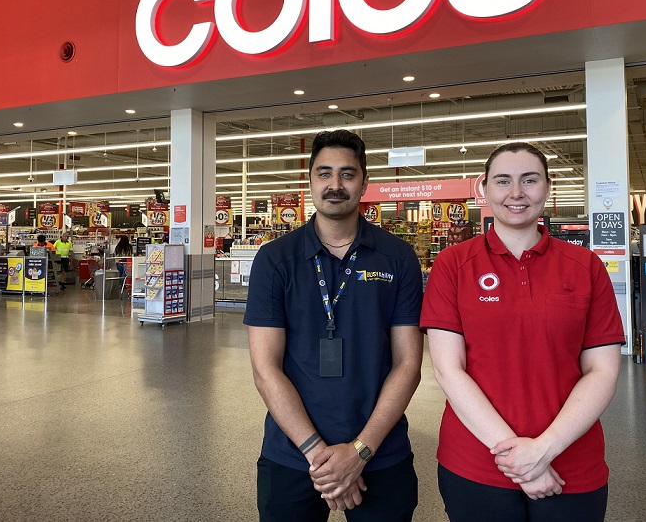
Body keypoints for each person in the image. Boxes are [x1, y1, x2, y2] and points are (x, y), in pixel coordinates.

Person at [420, 142, 625, 522]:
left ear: (547, 188)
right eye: (503, 181)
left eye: (529, 180)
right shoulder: (453, 264)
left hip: (572, 464)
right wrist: (519, 459)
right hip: (475, 465)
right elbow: (449, 370)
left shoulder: (585, 266)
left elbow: (604, 371)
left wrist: (544, 449)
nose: (516, 193)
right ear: (485, 189)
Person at [244, 129, 424, 522]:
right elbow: (265, 369)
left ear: (364, 182)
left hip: (381, 452)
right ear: (310, 181)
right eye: (324, 173)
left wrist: (358, 452)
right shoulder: (275, 260)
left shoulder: (398, 257)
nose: (335, 185)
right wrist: (323, 459)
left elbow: (408, 365)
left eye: (347, 173)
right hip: (293, 455)